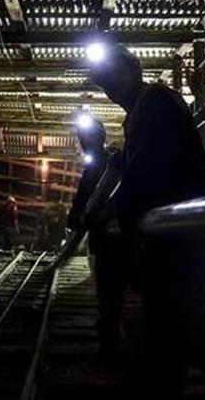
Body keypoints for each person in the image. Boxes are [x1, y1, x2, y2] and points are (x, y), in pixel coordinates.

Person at [88, 44, 205, 399]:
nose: (110, 89)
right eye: (105, 84)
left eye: (113, 79)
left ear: (132, 71)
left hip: (188, 235)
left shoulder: (156, 103)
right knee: (179, 328)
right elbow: (140, 167)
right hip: (172, 239)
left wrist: (118, 213)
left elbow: (146, 170)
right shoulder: (143, 110)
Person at [66, 117, 127, 357]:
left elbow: (87, 201)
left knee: (110, 291)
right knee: (111, 292)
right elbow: (82, 202)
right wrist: (77, 217)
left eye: (85, 139)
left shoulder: (108, 164)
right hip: (111, 239)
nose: (83, 144)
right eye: (82, 140)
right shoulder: (104, 163)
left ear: (97, 139)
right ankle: (113, 339)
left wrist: (82, 218)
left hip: (112, 239)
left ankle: (111, 344)